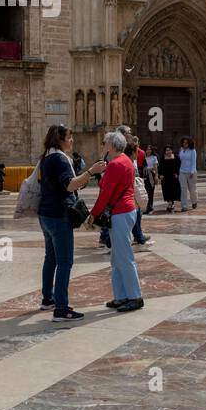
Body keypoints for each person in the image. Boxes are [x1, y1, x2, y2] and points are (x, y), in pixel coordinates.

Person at [37, 124, 100, 323]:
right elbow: (69, 184)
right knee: (65, 262)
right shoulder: (60, 159)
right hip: (58, 215)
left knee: (51, 258)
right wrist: (91, 172)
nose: (72, 140)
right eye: (70, 137)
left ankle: (48, 298)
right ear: (61, 139)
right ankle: (62, 309)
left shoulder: (46, 157)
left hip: (45, 214)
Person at [84, 130, 143, 313]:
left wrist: (93, 214)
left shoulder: (116, 164)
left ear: (110, 145)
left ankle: (135, 297)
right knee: (117, 257)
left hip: (120, 213)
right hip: (126, 211)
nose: (103, 145)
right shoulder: (125, 160)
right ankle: (121, 296)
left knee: (124, 256)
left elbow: (105, 194)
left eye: (104, 142)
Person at [159, 145, 183, 210]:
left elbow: (179, 165)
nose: (168, 151)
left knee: (173, 190)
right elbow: (160, 167)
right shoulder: (162, 158)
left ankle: (171, 203)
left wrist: (177, 173)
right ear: (165, 151)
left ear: (172, 150)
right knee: (166, 190)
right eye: (166, 150)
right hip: (165, 177)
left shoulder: (176, 157)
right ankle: (170, 203)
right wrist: (160, 174)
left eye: (169, 150)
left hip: (173, 177)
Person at [178, 137, 198, 209]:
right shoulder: (181, 150)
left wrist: (192, 171)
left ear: (189, 143)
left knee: (192, 189)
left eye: (186, 142)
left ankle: (194, 201)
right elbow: (180, 160)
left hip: (191, 172)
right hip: (182, 171)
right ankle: (184, 206)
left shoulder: (193, 151)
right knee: (183, 189)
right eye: (183, 142)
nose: (184, 144)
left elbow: (193, 162)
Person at [143, 146, 158, 213]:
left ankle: (150, 206)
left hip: (151, 174)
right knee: (145, 190)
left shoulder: (154, 157)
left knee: (151, 190)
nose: (148, 151)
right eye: (147, 149)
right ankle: (146, 206)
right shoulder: (144, 157)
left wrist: (156, 176)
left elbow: (155, 167)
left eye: (149, 149)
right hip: (145, 174)